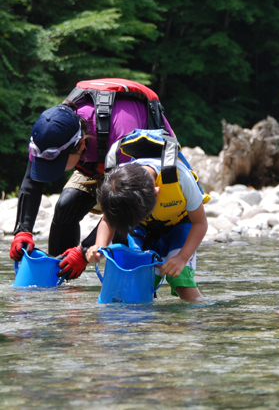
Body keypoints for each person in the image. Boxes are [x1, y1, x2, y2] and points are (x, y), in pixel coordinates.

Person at [10, 79, 174, 281]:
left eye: (58, 164)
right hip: (98, 162)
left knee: (125, 229)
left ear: (79, 145)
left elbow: (124, 209)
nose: (54, 170)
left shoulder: (122, 131)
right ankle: (62, 284)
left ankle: (124, 289)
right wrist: (22, 231)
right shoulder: (51, 130)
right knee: (65, 206)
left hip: (139, 169)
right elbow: (31, 182)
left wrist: (84, 250)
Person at [85, 157, 208, 302]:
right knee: (140, 280)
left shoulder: (181, 178)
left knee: (181, 280)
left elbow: (200, 223)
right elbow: (107, 219)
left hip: (180, 226)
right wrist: (100, 245)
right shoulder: (117, 184)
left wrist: (182, 258)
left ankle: (198, 317)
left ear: (156, 192)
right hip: (143, 230)